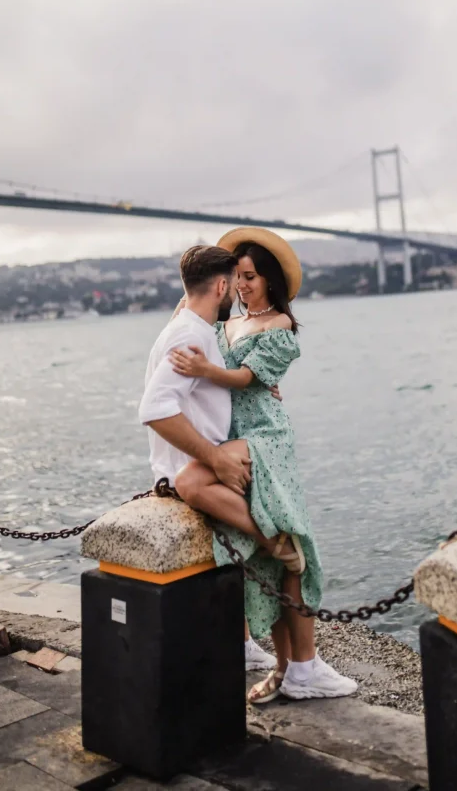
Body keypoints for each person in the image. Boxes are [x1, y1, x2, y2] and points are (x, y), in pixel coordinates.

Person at [169, 227, 357, 704]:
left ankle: (301, 668)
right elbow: (186, 315)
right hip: (231, 438)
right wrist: (196, 278)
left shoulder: (280, 327)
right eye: (237, 277)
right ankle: (288, 664)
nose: (243, 285)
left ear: (270, 280)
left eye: (250, 277)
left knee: (280, 533)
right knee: (272, 554)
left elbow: (244, 377)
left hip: (266, 439)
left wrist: (205, 371)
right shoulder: (224, 322)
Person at [138, 243, 279, 672]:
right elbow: (155, 409)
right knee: (284, 534)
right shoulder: (190, 334)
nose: (237, 290)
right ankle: (299, 661)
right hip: (190, 475)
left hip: (191, 469)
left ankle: (245, 642)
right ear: (221, 285)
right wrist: (216, 458)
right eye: (232, 283)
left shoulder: (189, 325)